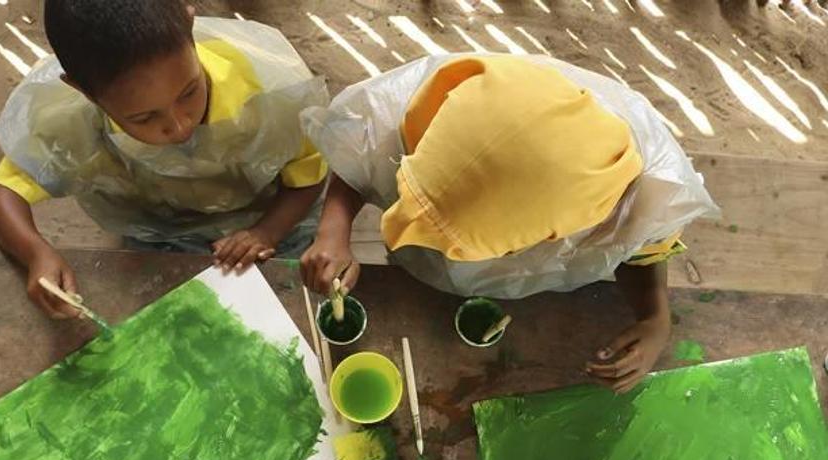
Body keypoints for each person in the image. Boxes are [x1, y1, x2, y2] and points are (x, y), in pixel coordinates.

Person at [299, 55, 720, 393]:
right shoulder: (435, 103)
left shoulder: (645, 196)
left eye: (463, 245)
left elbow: (644, 252)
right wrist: (333, 231)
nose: (399, 227)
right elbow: (355, 154)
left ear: (557, 235)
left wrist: (655, 318)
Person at [0, 0, 329, 318]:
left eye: (190, 91)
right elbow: (0, 195)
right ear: (83, 91)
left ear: (189, 25)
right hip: (164, 227)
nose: (178, 127)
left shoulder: (269, 91)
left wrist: (266, 232)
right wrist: (36, 254)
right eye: (144, 118)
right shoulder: (70, 118)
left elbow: (310, 176)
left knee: (290, 295)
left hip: (266, 213)